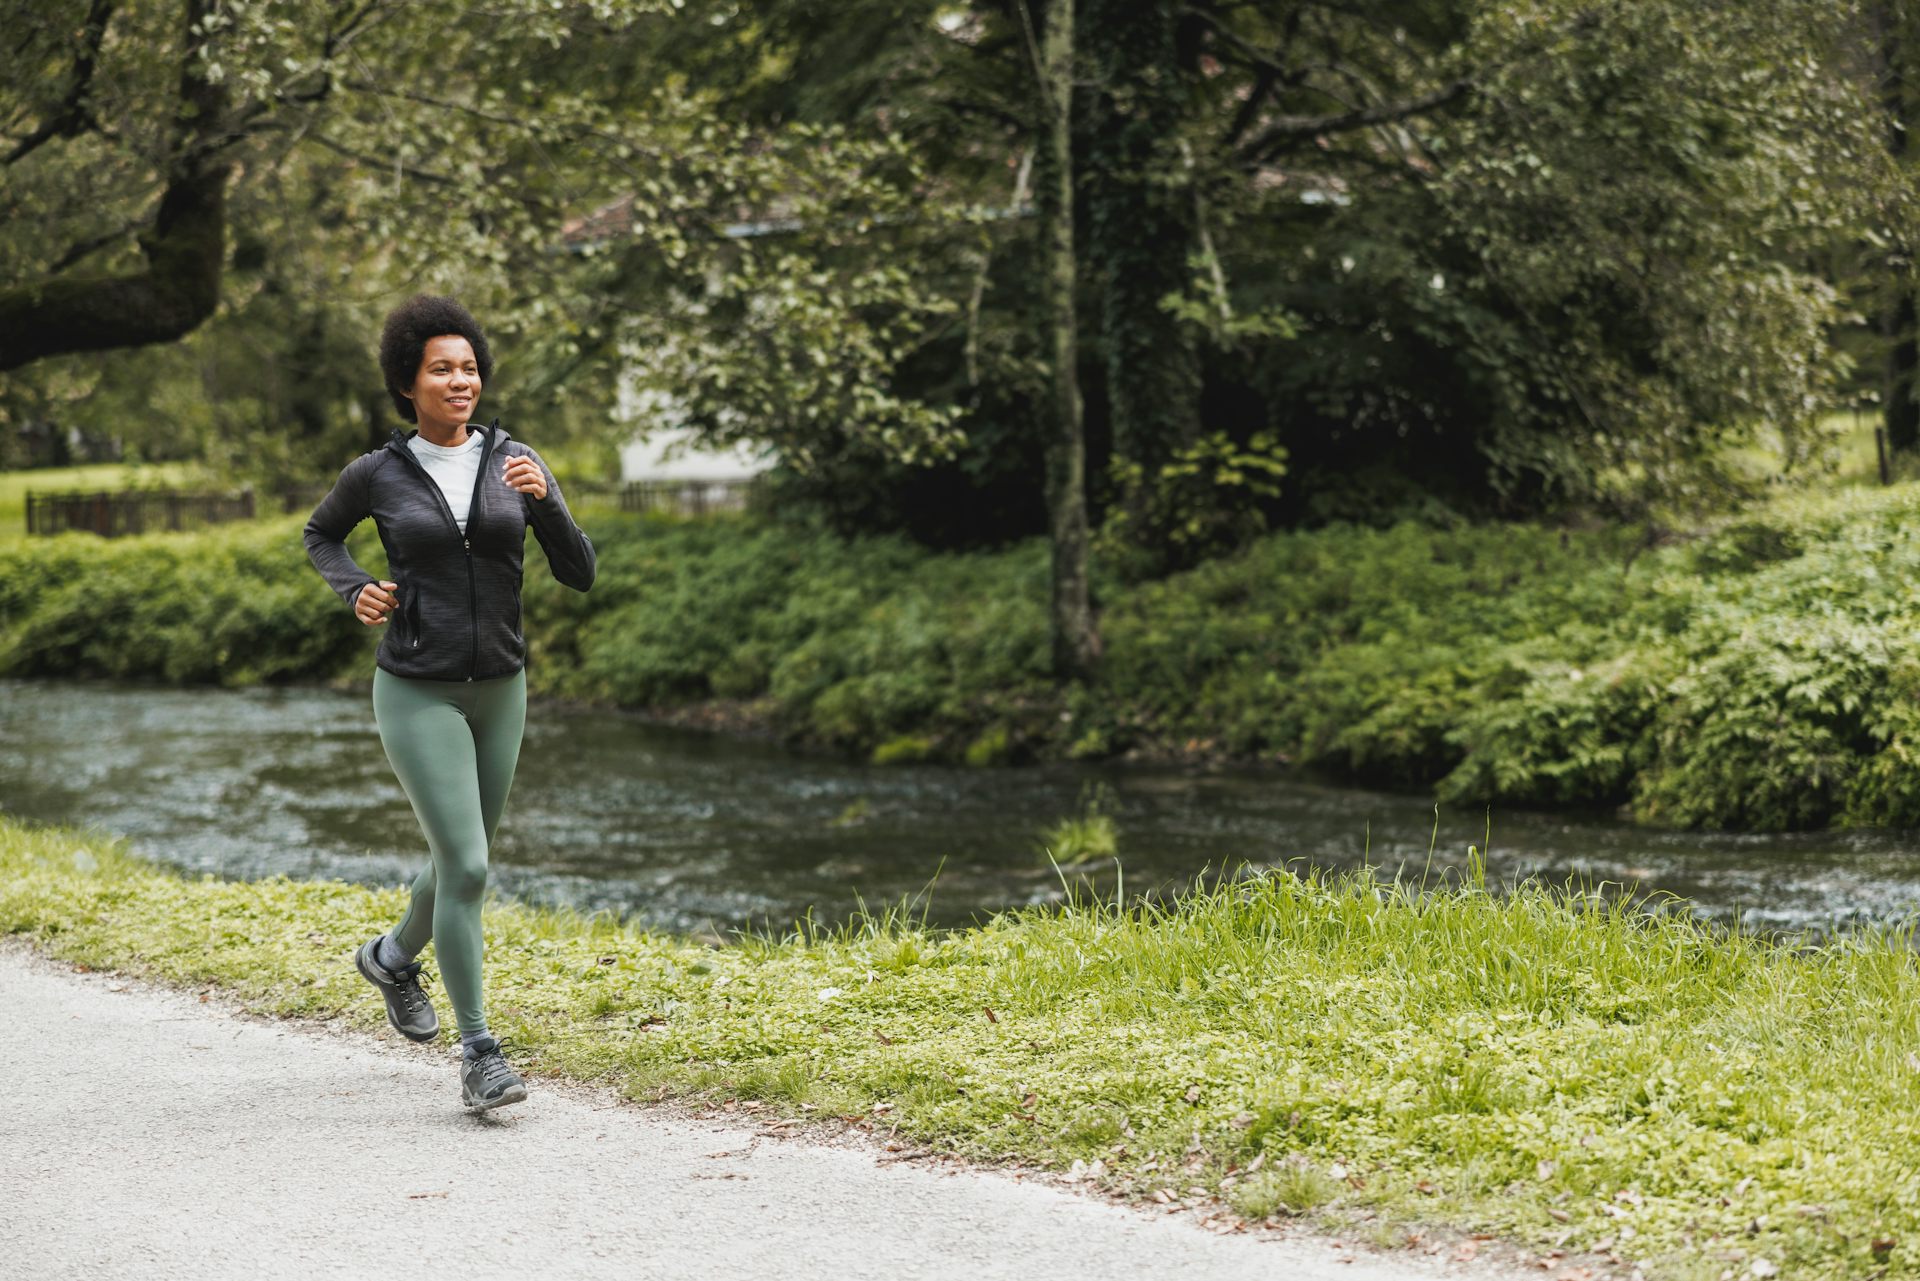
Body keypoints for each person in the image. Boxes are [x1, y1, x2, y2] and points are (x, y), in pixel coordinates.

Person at [303, 294, 596, 1111]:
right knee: (468, 864)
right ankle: (480, 1052)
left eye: (468, 367)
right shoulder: (378, 471)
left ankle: (393, 956)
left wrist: (546, 503)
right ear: (408, 381)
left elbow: (580, 571)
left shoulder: (515, 460)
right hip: (416, 689)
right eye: (442, 368)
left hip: (503, 687)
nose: (460, 380)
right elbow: (321, 534)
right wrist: (356, 587)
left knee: (454, 859)